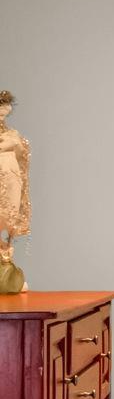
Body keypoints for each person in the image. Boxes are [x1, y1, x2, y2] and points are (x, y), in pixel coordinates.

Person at [0, 89, 28, 293]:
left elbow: (22, 155)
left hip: (11, 179)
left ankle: (7, 273)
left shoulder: (12, 134)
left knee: (9, 221)